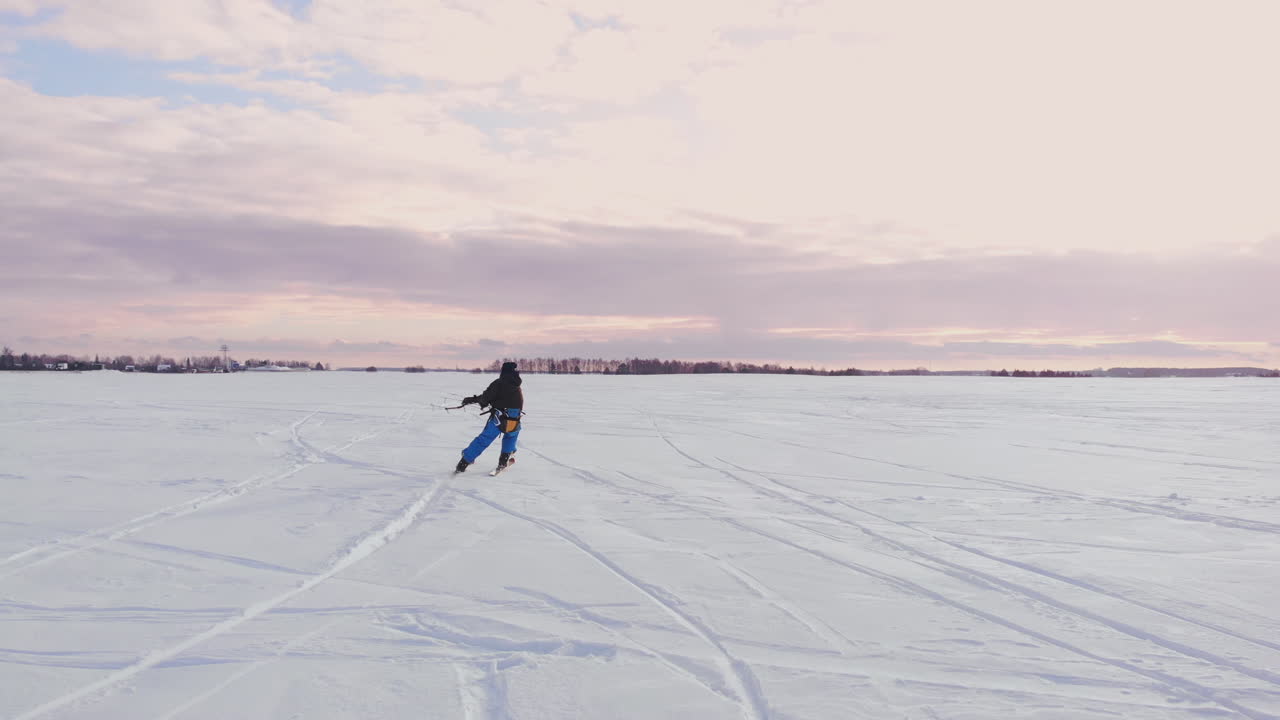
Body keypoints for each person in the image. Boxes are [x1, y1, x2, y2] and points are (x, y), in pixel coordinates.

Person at [455, 361, 523, 473]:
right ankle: (503, 461)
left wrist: (472, 400)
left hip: (499, 418)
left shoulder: (498, 383)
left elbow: (485, 399)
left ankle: (464, 462)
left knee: (484, 439)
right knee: (511, 437)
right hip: (514, 419)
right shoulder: (517, 386)